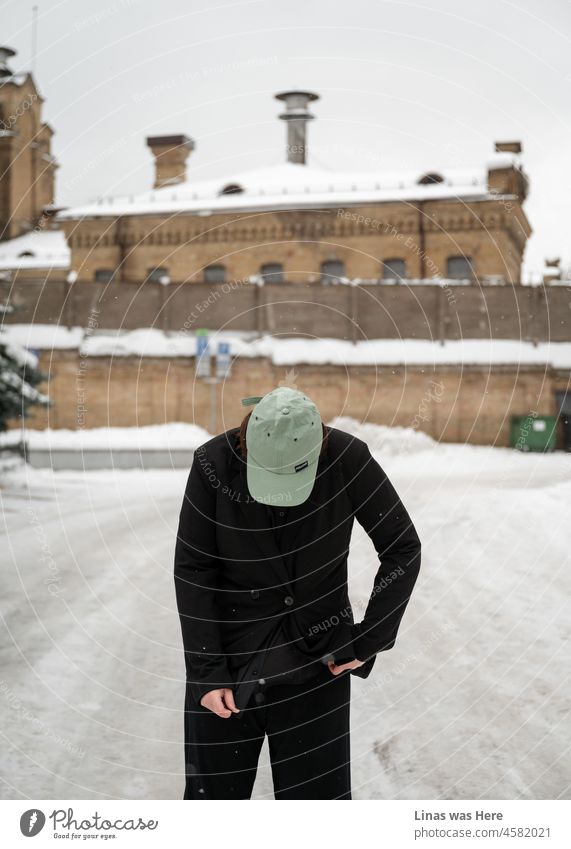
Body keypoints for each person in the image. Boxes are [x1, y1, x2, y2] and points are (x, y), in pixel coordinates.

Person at [174, 386, 421, 799]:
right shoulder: (211, 464)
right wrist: (206, 672)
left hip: (317, 667)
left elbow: (401, 547)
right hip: (229, 668)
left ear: (319, 447)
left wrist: (369, 639)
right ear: (247, 441)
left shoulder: (347, 458)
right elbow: (194, 569)